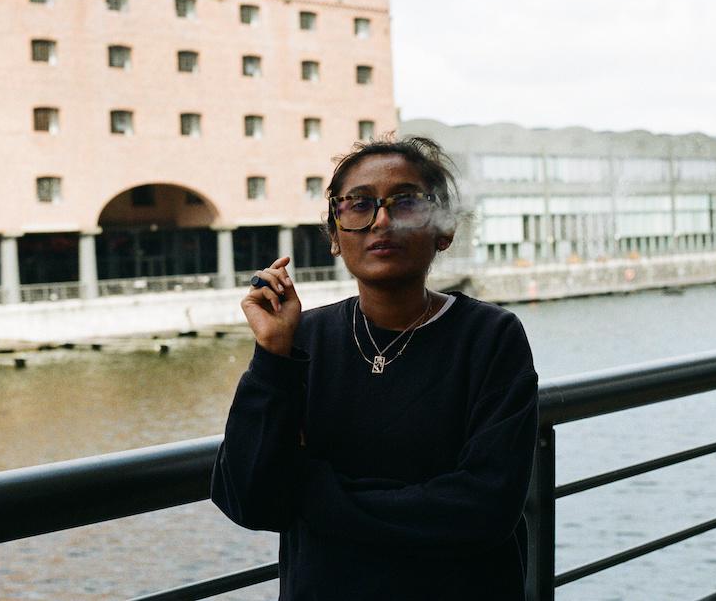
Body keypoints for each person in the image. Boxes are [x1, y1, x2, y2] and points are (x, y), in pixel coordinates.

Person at [211, 136, 539, 600]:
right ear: (334, 235)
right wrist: (271, 355)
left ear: (443, 230)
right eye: (358, 204)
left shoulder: (489, 337)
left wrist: (310, 489)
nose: (381, 220)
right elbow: (246, 498)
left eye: (405, 202)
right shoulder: (302, 339)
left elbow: (483, 509)